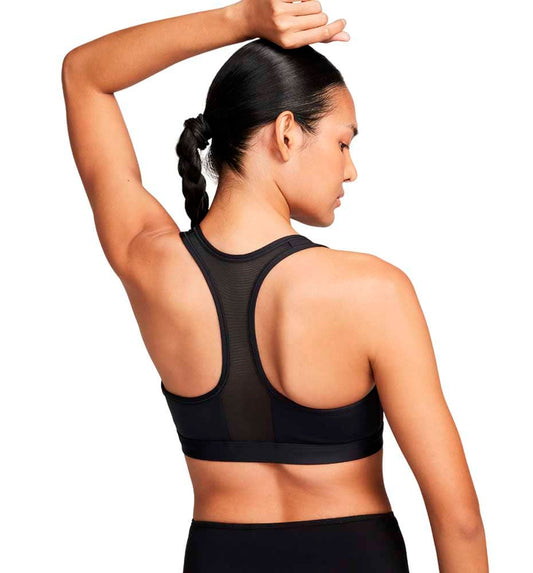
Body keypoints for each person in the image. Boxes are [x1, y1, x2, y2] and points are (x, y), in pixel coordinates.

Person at [61, 1, 488, 571]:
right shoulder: (374, 291)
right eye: (343, 143)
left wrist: (242, 20)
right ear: (286, 133)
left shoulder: (150, 264)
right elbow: (459, 521)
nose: (351, 169)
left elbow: (85, 75)